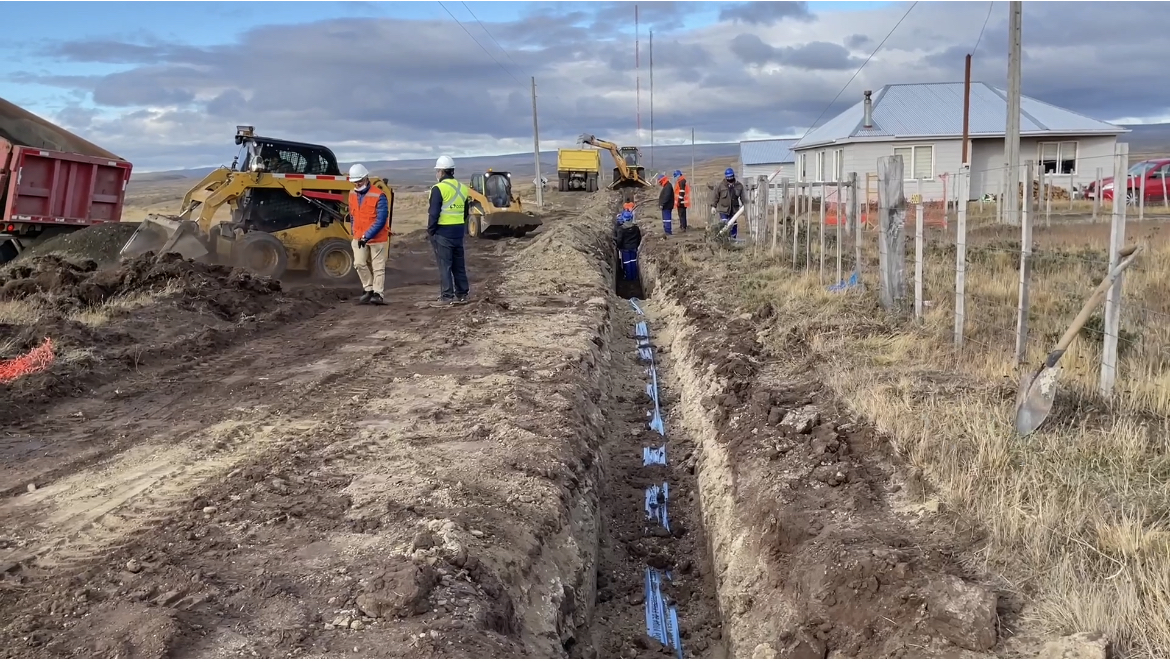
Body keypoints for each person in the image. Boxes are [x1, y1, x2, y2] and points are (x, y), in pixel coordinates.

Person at [427, 155, 471, 306]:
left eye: (437, 171)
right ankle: (463, 294)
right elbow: (466, 212)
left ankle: (447, 297)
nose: (437, 174)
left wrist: (431, 231)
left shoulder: (438, 188)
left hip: (443, 232)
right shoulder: (463, 188)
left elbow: (434, 213)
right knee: (459, 265)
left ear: (441, 171)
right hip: (458, 231)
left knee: (445, 265)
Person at [347, 163, 389, 305]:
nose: (357, 184)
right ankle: (368, 288)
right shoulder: (352, 194)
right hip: (359, 236)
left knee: (378, 267)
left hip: (377, 238)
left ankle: (378, 294)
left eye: (359, 181)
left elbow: (381, 219)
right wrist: (355, 232)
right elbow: (352, 215)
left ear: (366, 178)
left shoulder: (379, 195)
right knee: (358, 263)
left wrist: (367, 236)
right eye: (355, 182)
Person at [713, 167, 746, 239]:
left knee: (733, 224)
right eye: (728, 177)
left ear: (733, 176)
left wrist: (745, 206)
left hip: (734, 209)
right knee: (725, 224)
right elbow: (716, 196)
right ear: (726, 177)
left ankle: (733, 239)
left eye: (731, 177)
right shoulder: (720, 186)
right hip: (723, 209)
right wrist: (713, 206)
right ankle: (724, 239)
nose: (730, 179)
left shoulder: (739, 186)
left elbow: (743, 197)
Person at [613, 209, 642, 282]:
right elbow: (639, 238)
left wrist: (619, 247)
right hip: (634, 247)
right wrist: (636, 245)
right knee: (633, 262)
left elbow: (619, 240)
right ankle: (634, 277)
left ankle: (628, 277)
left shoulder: (621, 229)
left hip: (625, 249)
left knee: (627, 263)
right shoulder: (635, 228)